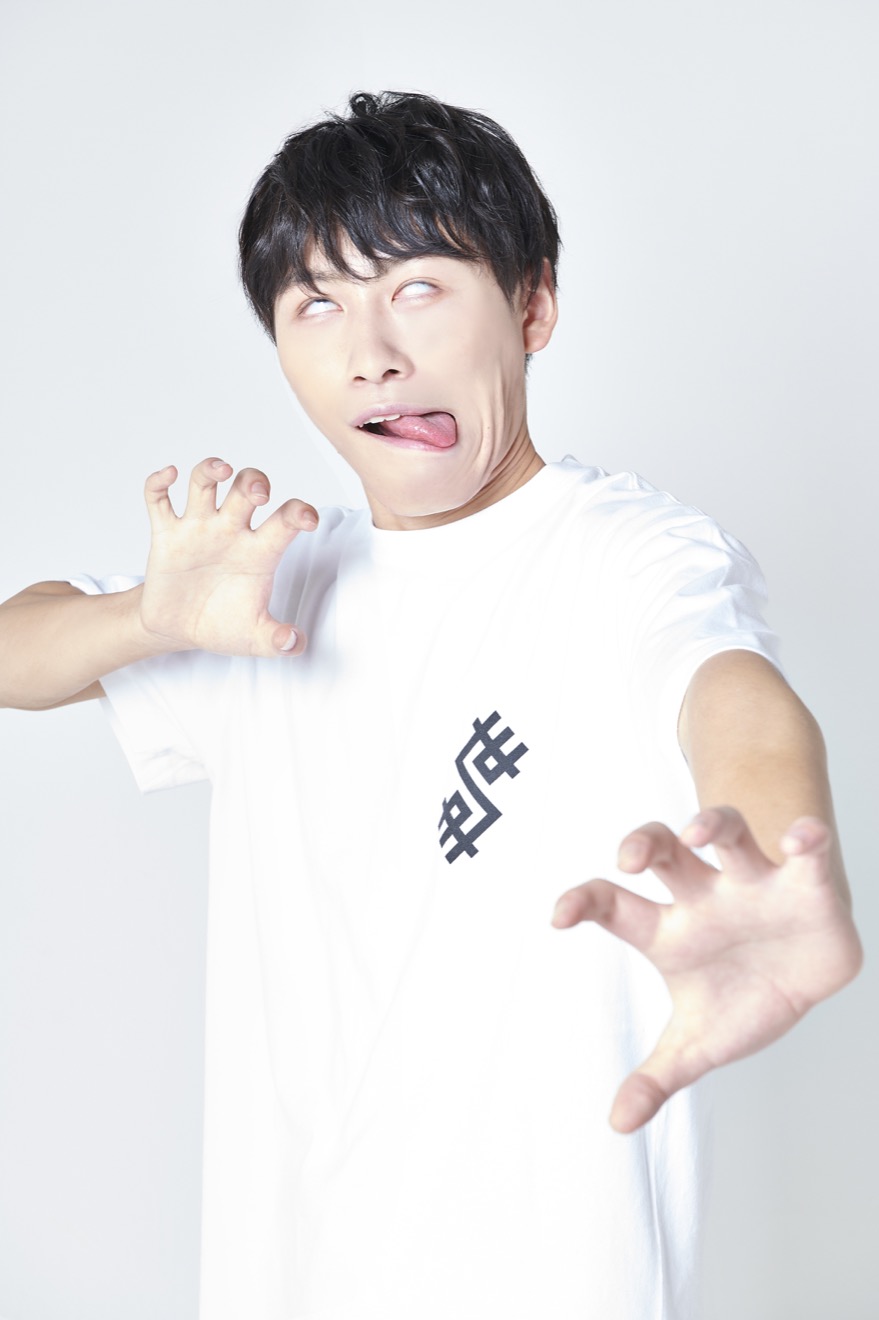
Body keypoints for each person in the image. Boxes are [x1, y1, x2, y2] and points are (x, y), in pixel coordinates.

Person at [0, 91, 862, 1319]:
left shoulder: (627, 553)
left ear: (533, 305)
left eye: (417, 288)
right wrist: (149, 617)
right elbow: (16, 654)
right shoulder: (265, 586)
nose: (372, 353)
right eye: (317, 305)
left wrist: (773, 856)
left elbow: (732, 694)